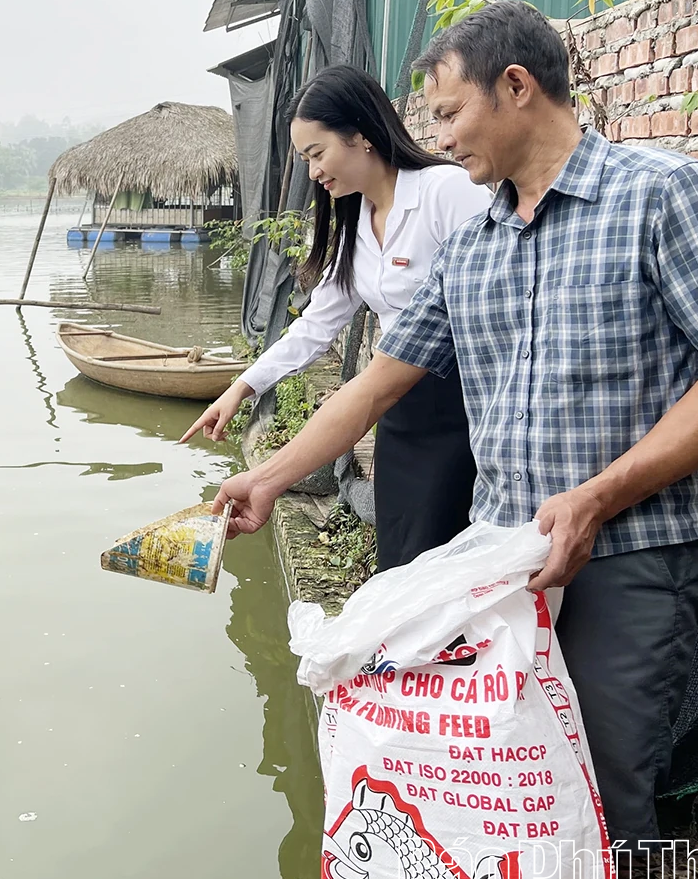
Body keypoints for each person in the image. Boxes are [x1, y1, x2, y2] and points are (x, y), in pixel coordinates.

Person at [212, 0, 698, 847]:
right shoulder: (476, 244)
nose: (437, 138)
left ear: (516, 86)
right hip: (499, 560)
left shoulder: (666, 196)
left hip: (634, 549)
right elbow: (371, 389)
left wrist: (597, 496)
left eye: (448, 113)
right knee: (509, 773)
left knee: (606, 782)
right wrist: (267, 475)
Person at [181, 65, 489, 570]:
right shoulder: (355, 226)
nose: (312, 172)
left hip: (466, 408)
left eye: (317, 154)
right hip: (399, 414)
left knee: (451, 565)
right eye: (305, 159)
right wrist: (242, 388)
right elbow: (314, 327)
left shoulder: (445, 193)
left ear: (362, 136)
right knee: (401, 560)